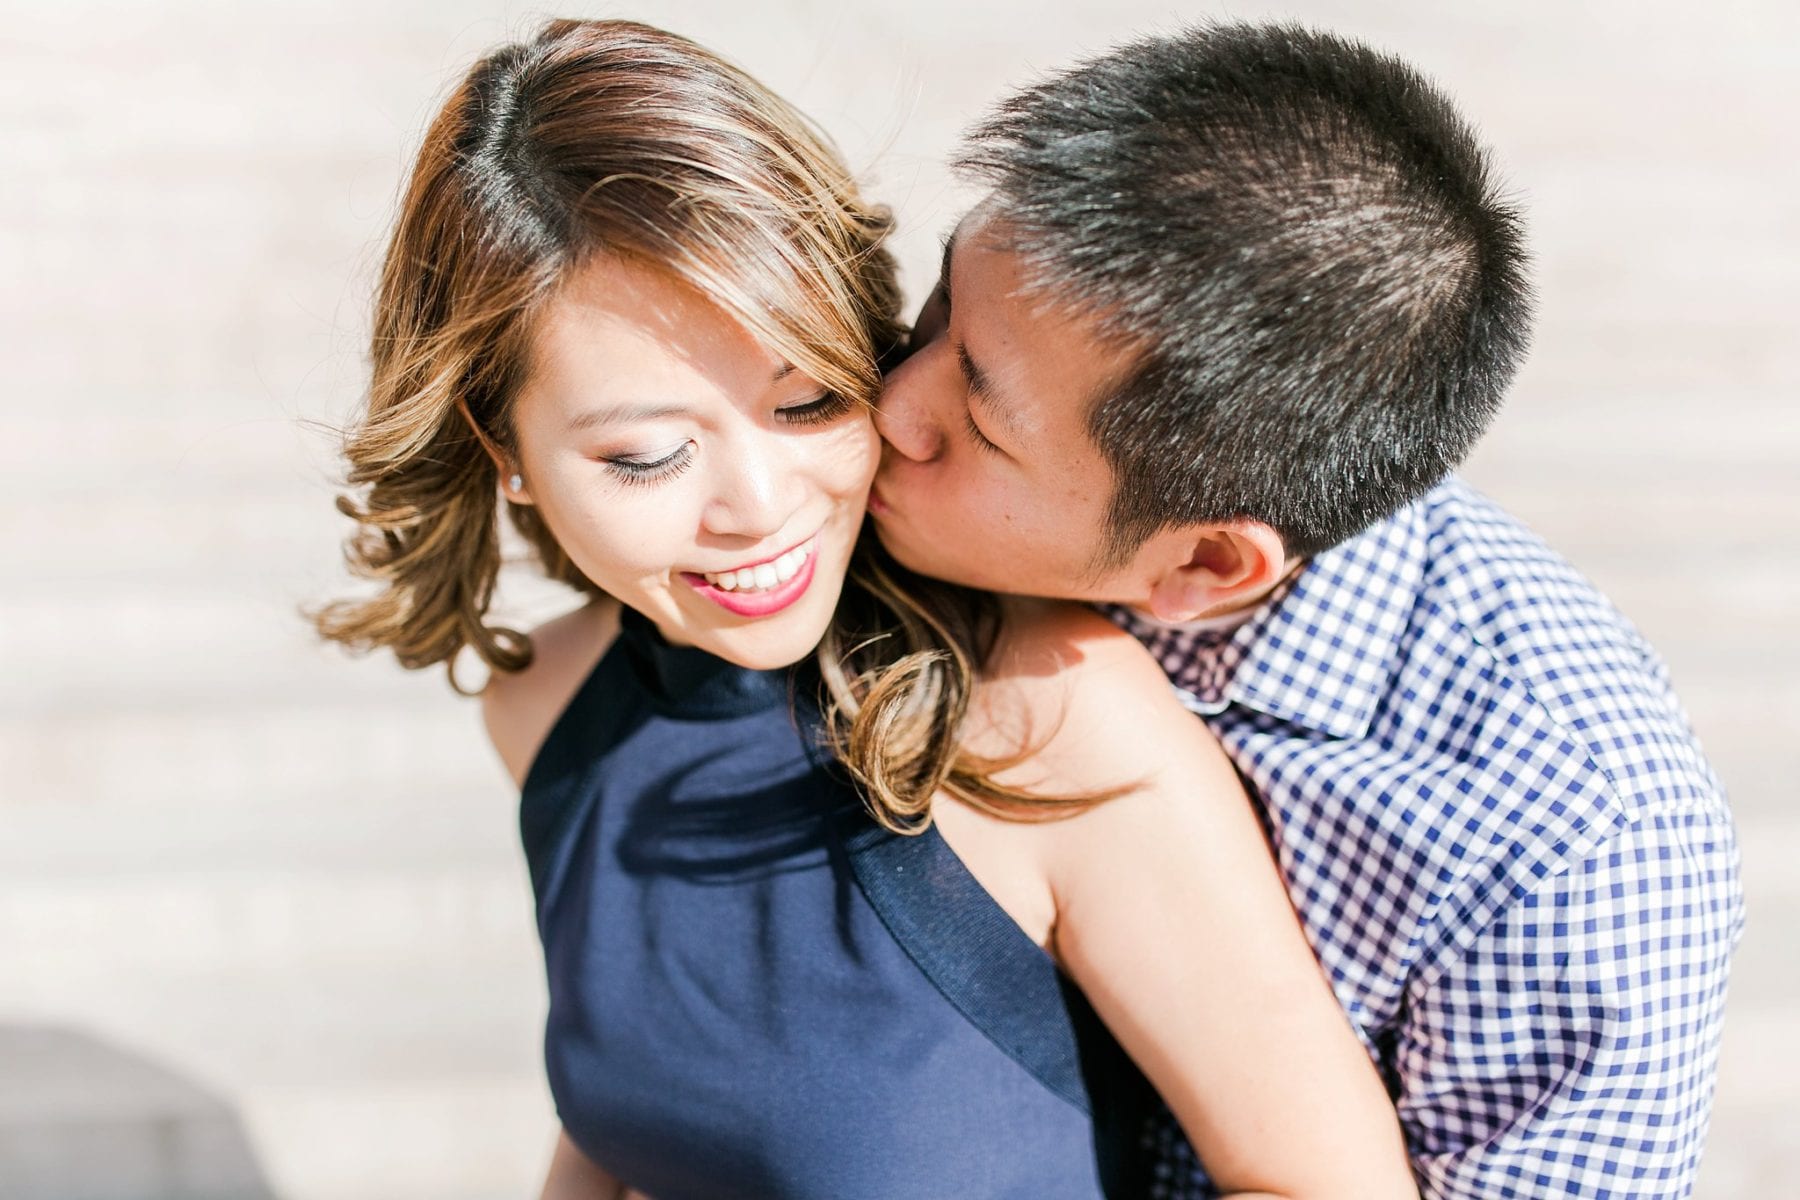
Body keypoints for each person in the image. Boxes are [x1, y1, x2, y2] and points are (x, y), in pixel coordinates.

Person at [311, 18, 1421, 1200]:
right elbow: (636, 1127)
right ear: (505, 450)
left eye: (808, 404)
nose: (759, 506)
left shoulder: (1050, 718)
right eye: (645, 455)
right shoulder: (543, 707)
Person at [871, 20, 1746, 1200]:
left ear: (1206, 570)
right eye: (940, 307)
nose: (888, 407)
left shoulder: (1564, 843)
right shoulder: (925, 499)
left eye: (977, 424)